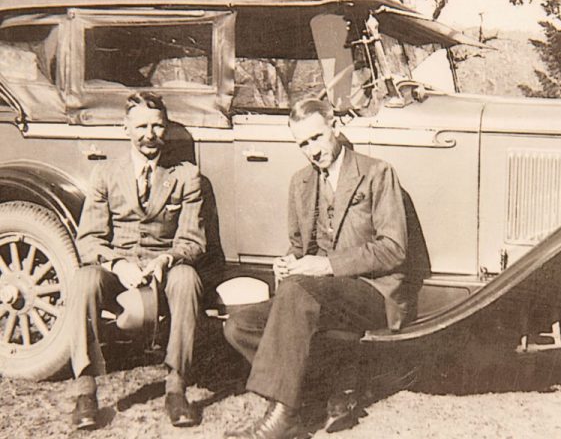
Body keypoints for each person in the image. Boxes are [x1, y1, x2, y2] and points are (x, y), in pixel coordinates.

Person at [224, 97, 409, 439]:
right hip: (321, 295)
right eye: (303, 144)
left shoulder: (377, 173)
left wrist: (326, 265)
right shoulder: (301, 183)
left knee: (298, 291)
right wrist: (288, 262)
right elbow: (299, 248)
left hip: (372, 293)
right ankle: (317, 390)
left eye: (317, 137)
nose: (312, 149)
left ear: (335, 128)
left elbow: (394, 250)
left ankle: (284, 416)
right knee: (238, 326)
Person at [67, 91, 205, 430]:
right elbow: (90, 240)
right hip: (119, 265)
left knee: (188, 280)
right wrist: (117, 265)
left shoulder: (187, 176)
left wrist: (167, 260)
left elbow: (192, 240)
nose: (149, 135)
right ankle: (85, 391)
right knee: (83, 280)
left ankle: (176, 387)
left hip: (165, 265)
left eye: (157, 126)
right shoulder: (105, 174)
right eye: (141, 126)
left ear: (166, 129)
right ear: (124, 127)